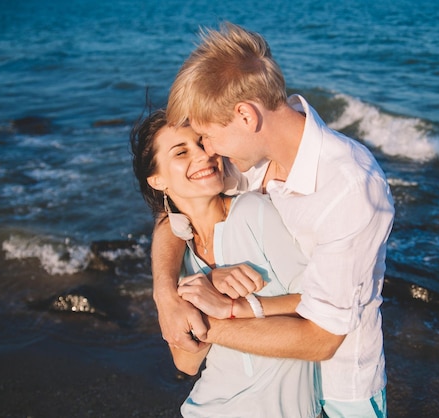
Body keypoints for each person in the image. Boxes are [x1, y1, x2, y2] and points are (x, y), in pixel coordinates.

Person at [154, 22, 395, 417]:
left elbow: (322, 340)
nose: (208, 151)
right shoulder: (249, 161)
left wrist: (198, 323)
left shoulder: (349, 190)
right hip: (271, 388)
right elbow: (174, 212)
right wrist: (165, 295)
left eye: (208, 135)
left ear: (246, 116)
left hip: (339, 389)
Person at [130, 109, 320, 418]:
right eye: (181, 152)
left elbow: (320, 303)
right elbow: (186, 363)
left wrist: (231, 305)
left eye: (202, 143)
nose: (203, 156)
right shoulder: (181, 255)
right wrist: (206, 288)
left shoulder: (252, 212)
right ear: (157, 179)